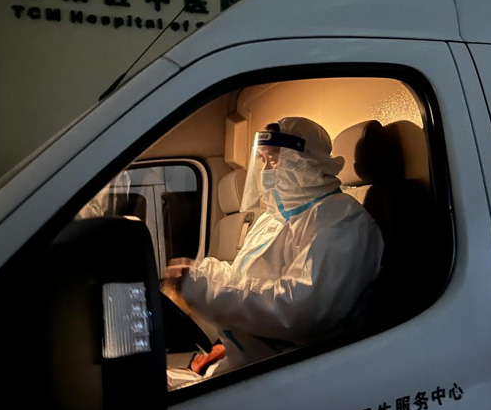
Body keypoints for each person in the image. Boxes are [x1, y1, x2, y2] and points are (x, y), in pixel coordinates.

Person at [163, 117, 384, 374]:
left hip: (297, 370)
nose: (266, 171)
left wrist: (203, 287)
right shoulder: (274, 218)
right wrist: (199, 273)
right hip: (251, 356)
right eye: (263, 160)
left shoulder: (342, 221)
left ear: (304, 161)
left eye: (274, 160)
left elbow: (300, 311)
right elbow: (242, 277)